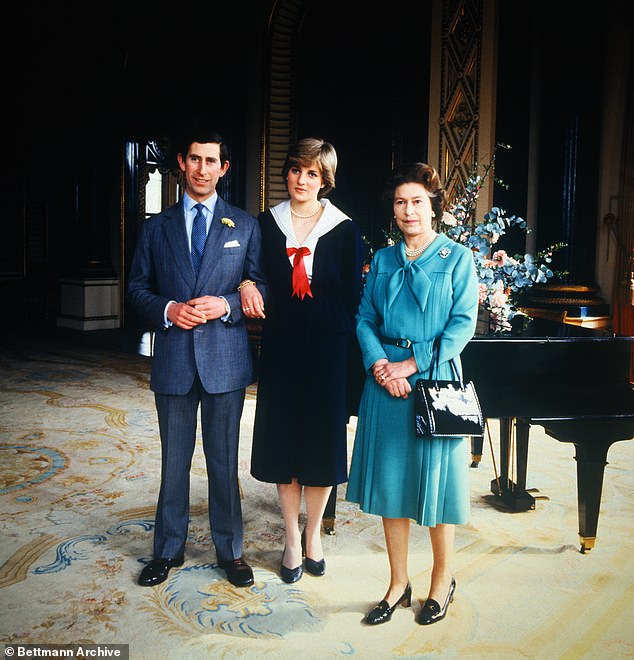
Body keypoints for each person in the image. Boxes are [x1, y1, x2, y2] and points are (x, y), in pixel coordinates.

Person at [127, 132, 268, 588]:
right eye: (194, 159)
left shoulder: (244, 226)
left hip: (225, 360)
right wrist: (168, 310)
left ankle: (230, 550)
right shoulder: (155, 226)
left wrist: (226, 304)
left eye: (212, 161)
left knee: (223, 461)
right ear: (181, 164)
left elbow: (261, 286)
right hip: (173, 360)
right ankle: (167, 550)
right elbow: (136, 289)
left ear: (224, 168)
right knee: (174, 461)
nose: (202, 169)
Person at [346, 162, 478, 625]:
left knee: (439, 488)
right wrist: (381, 365)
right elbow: (363, 318)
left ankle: (442, 581)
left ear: (434, 206)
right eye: (401, 202)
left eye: (417, 201)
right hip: (386, 383)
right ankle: (398, 584)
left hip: (435, 380)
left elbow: (462, 326)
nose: (408, 210)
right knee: (390, 483)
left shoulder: (458, 258)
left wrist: (411, 363)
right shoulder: (382, 260)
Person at [240, 137, 364, 583]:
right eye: (296, 170)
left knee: (321, 439)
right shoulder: (266, 224)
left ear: (325, 180)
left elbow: (353, 298)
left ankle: (315, 532)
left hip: (329, 348)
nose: (302, 180)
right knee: (284, 437)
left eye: (312, 174)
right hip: (282, 345)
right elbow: (250, 274)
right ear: (287, 173)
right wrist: (244, 286)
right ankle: (291, 537)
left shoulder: (344, 230)